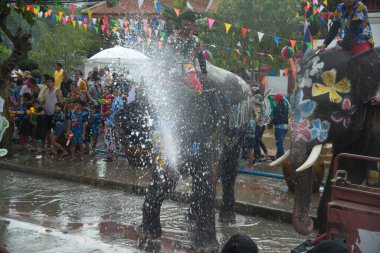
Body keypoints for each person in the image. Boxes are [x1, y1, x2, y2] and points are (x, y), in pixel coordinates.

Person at [168, 11, 207, 93]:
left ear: (193, 26)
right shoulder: (172, 39)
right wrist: (164, 70)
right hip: (173, 69)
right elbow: (166, 56)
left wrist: (204, 72)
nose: (187, 28)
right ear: (181, 24)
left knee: (199, 90)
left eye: (189, 25)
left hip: (189, 70)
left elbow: (201, 57)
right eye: (185, 25)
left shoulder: (196, 40)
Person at [104, 90, 125, 161]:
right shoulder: (121, 101)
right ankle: (114, 155)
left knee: (109, 139)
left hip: (110, 121)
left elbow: (111, 110)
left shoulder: (116, 100)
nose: (113, 94)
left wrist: (103, 113)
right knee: (113, 139)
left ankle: (111, 156)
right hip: (116, 122)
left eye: (114, 92)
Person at [43, 75, 63, 152]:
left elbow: (61, 103)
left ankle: (55, 147)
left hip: (55, 115)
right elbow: (45, 102)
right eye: (47, 82)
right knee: (48, 131)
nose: (48, 84)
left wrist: (58, 97)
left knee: (55, 132)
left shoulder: (57, 91)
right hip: (47, 114)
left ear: (53, 83)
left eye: (49, 82)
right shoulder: (45, 91)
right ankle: (49, 146)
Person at [272, 94, 288, 159]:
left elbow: (275, 119)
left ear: (278, 100)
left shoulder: (276, 107)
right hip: (285, 126)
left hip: (279, 127)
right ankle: (278, 157)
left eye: (275, 99)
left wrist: (271, 122)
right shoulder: (285, 107)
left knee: (279, 143)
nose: (274, 101)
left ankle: (282, 158)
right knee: (280, 142)